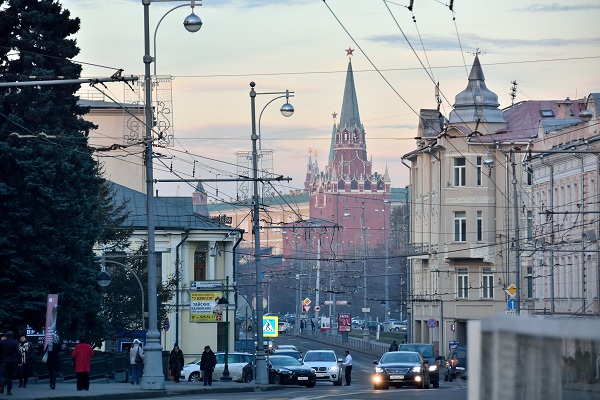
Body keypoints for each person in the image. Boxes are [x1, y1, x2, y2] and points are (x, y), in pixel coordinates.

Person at [0, 331, 19, 395]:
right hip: (11, 361)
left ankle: (1, 383)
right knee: (10, 376)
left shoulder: (2, 342)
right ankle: (9, 391)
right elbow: (17, 353)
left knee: (2, 375)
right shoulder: (15, 343)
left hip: (3, 361)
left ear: (6, 335)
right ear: (12, 335)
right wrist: (20, 361)